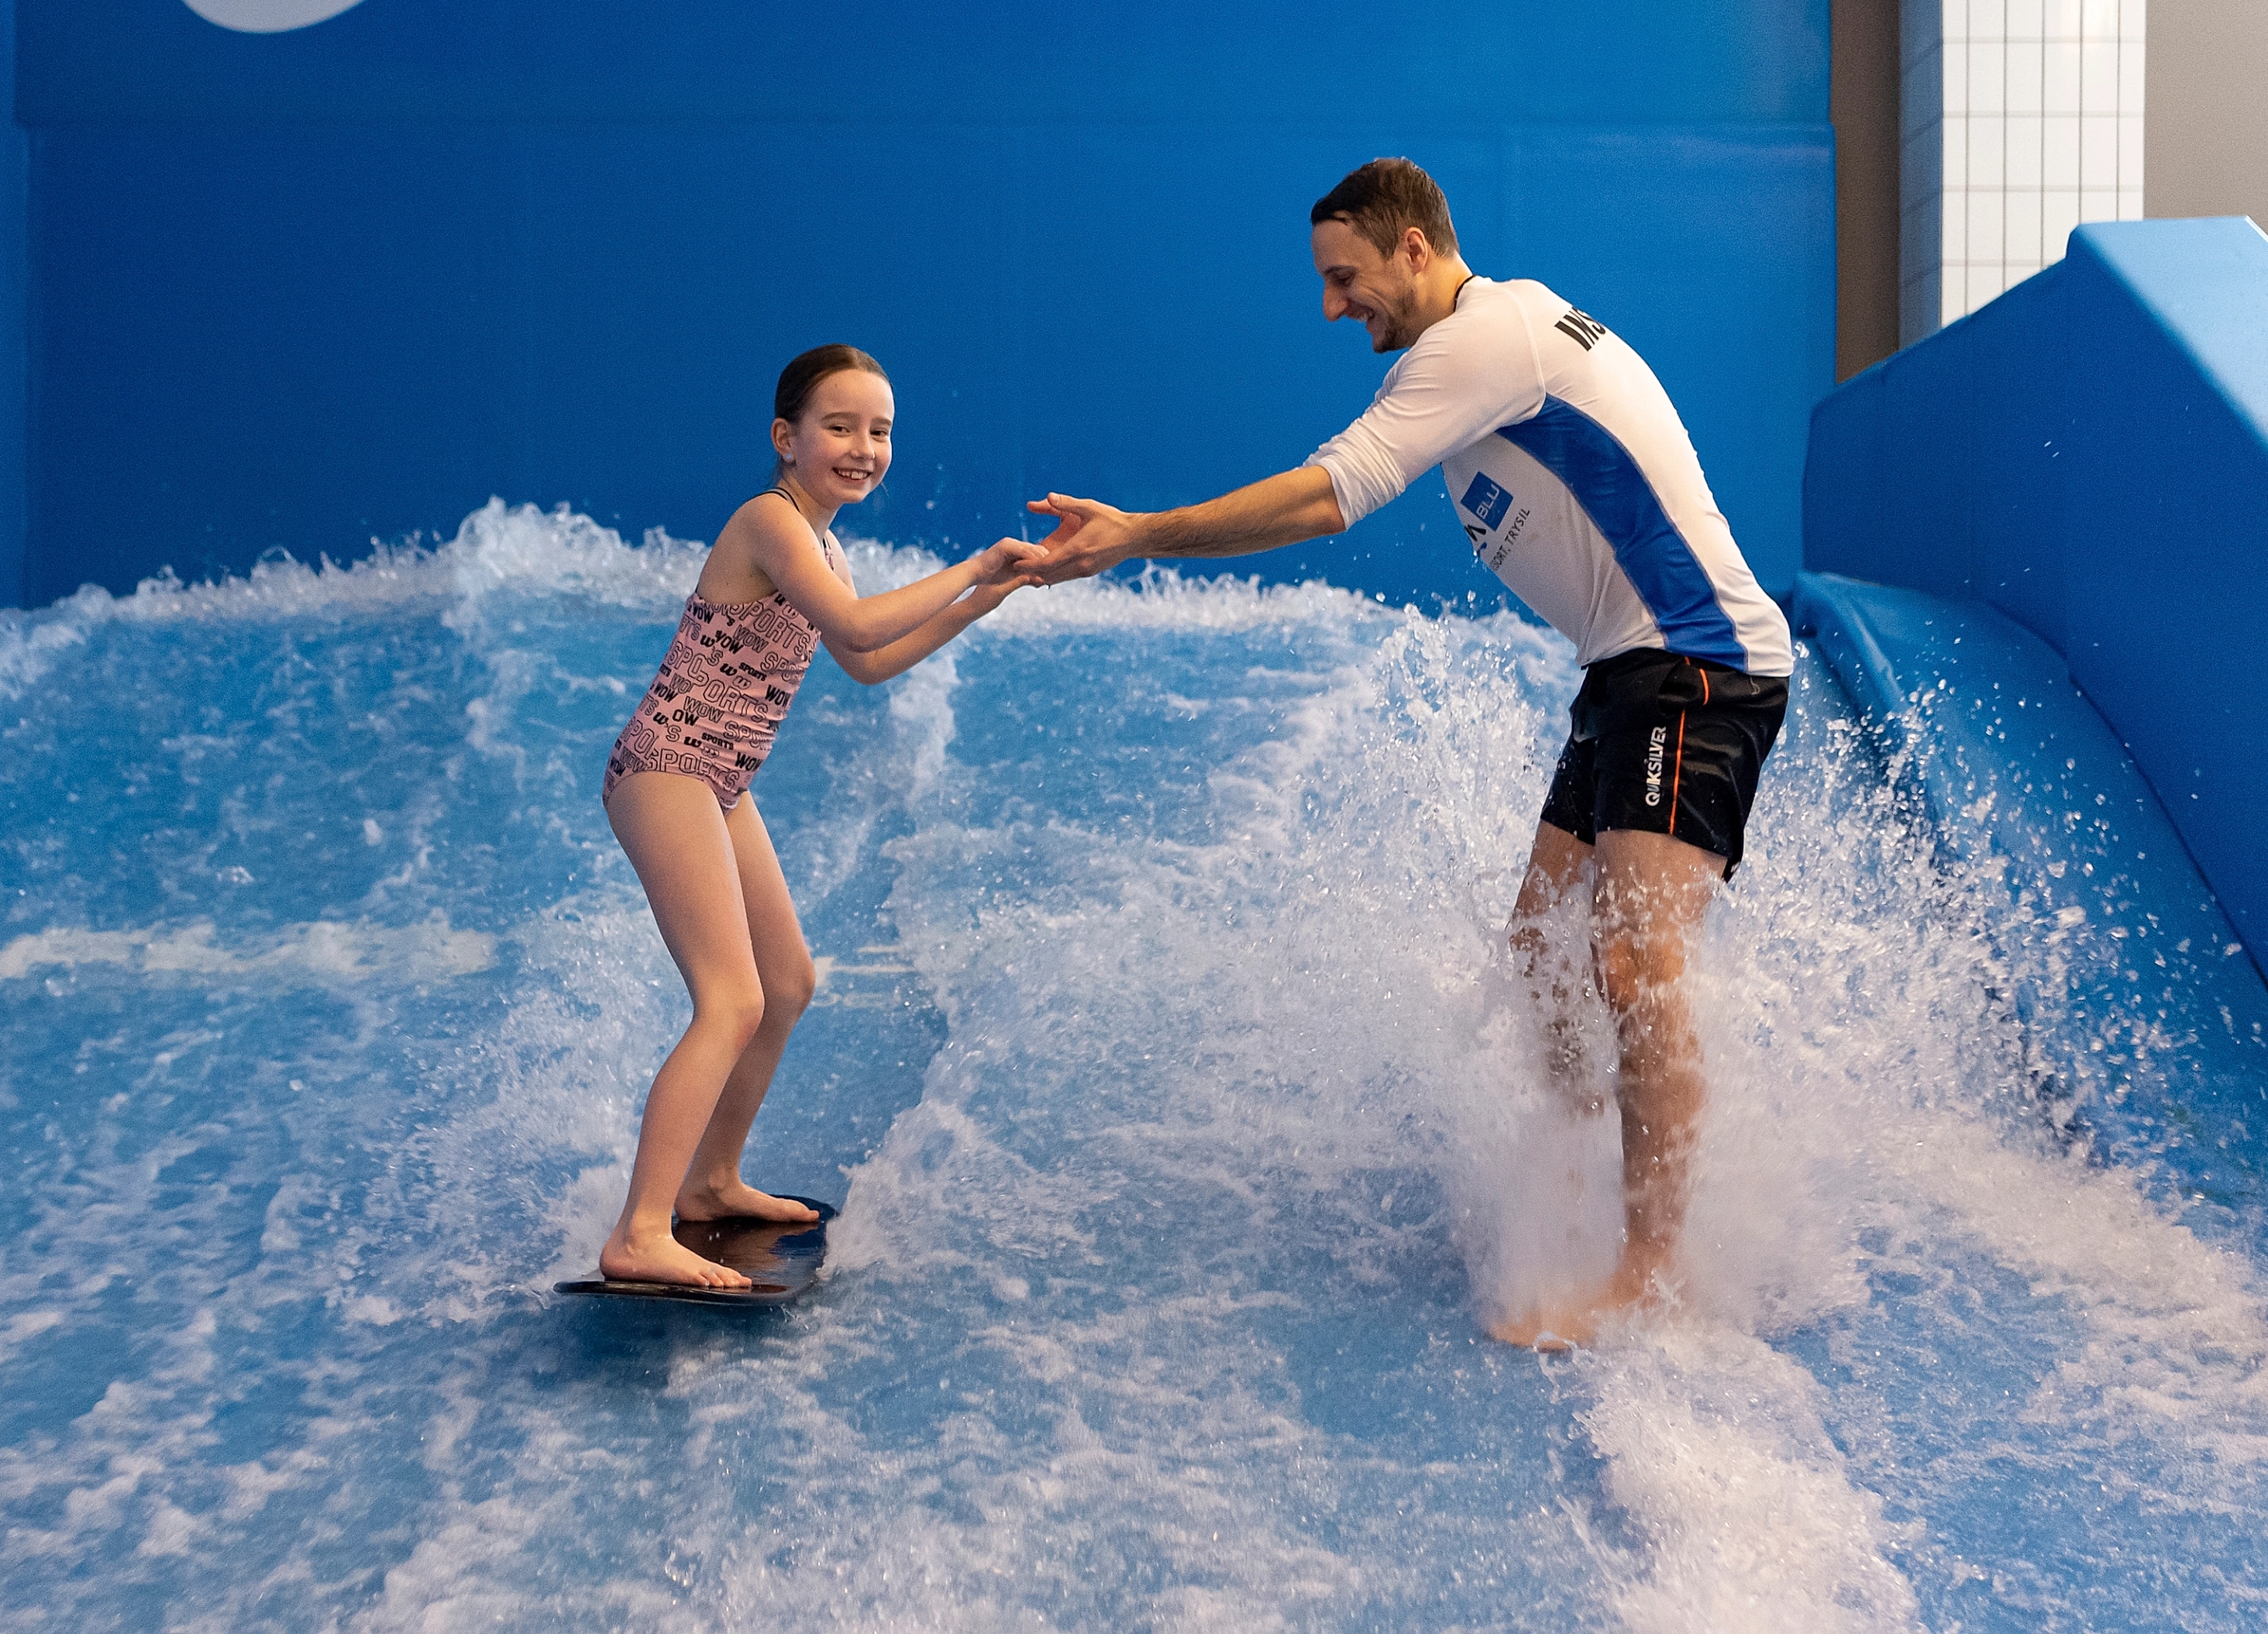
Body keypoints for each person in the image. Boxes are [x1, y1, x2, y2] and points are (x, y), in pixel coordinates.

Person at [1022, 158, 1791, 1347]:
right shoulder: (1482, 347)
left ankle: (1654, 1274)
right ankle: (1580, 1185)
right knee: (1544, 955)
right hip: (1627, 673)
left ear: (1416, 251)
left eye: (1348, 278)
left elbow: (1329, 497)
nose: (1336, 308)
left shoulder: (1482, 343)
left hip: (1697, 664)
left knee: (1634, 966)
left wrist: (1139, 537)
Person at [597, 342, 1044, 1289]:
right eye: (839, 427)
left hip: (718, 778)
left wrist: (981, 603)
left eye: (880, 430)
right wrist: (971, 565)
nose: (863, 447)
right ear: (785, 438)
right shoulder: (770, 521)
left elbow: (868, 661)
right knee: (732, 999)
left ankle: (711, 1182)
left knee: (789, 980)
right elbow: (856, 626)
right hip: (668, 769)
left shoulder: (824, 542)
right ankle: (640, 1228)